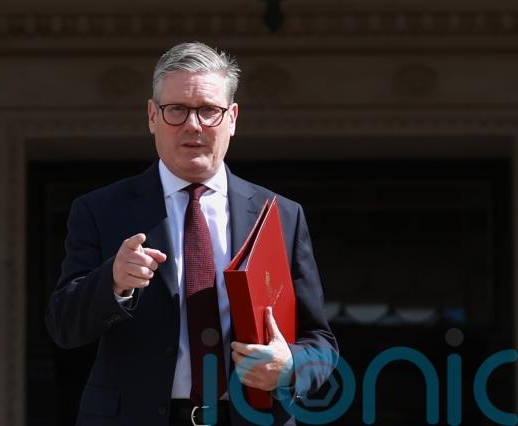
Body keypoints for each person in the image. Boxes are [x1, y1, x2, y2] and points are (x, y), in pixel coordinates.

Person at [45, 41, 338, 426]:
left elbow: (321, 343)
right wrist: (113, 281)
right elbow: (63, 327)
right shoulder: (101, 209)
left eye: (209, 110)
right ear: (152, 116)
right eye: (177, 109)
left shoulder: (282, 215)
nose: (193, 125)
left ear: (232, 118)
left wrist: (289, 367)